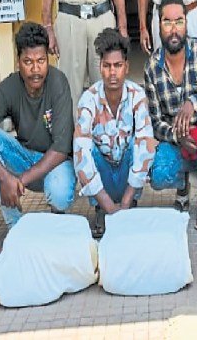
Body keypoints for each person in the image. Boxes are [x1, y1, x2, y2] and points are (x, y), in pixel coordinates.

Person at [0, 23, 76, 253]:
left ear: (48, 59)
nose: (35, 69)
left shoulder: (58, 82)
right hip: (24, 157)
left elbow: (61, 148)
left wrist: (19, 181)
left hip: (56, 162)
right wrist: (4, 177)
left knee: (59, 194)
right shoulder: (10, 86)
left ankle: (57, 222)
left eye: (41, 61)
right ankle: (15, 226)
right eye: (28, 62)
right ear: (18, 62)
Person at [144, 0, 197, 230]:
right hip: (178, 143)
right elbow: (155, 122)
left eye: (179, 21)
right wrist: (177, 136)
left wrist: (194, 102)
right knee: (158, 175)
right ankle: (182, 186)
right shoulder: (152, 67)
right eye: (167, 22)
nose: (173, 29)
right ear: (158, 25)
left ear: (186, 23)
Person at [73, 28, 157, 238]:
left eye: (118, 65)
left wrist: (126, 200)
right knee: (86, 150)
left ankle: (130, 204)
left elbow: (146, 146)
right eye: (107, 66)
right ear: (100, 68)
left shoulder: (137, 96)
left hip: (127, 178)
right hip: (103, 178)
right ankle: (101, 210)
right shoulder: (88, 100)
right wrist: (111, 209)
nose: (112, 72)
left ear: (126, 67)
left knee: (142, 144)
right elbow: (81, 157)